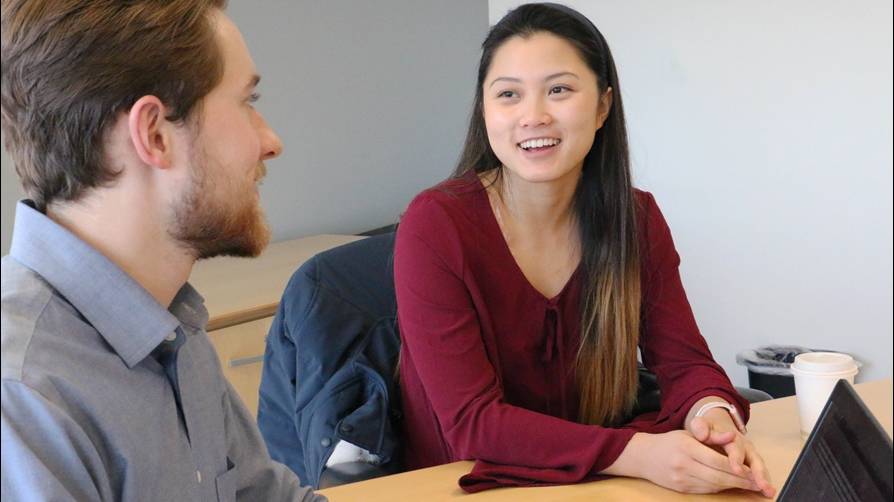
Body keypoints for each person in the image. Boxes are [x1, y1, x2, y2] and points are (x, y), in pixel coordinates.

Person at [394, 3, 775, 497]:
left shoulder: (634, 219)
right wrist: (638, 453)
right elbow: (471, 424)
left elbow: (685, 363)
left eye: (559, 90)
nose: (533, 116)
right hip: (464, 482)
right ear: (485, 110)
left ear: (602, 106)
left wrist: (712, 414)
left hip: (595, 481)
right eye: (508, 94)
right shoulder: (435, 224)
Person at [0, 1, 323, 500]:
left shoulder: (167, 327)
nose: (270, 140)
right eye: (246, 101)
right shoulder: (22, 393)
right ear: (154, 134)